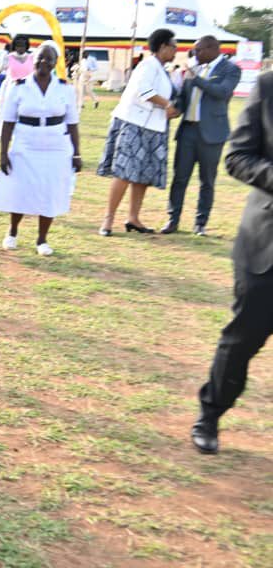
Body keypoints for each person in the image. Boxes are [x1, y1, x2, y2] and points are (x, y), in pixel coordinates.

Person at [190, 72, 273, 455]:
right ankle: (210, 414)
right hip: (265, 245)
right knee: (241, 340)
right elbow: (238, 157)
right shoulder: (268, 87)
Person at [0, 41, 81, 255]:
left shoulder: (65, 89)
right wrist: (3, 153)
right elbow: (8, 122)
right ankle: (12, 232)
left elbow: (72, 123)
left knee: (50, 191)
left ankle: (42, 240)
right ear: (33, 60)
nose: (44, 62)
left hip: (56, 146)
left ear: (55, 63)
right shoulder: (19, 87)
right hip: (26, 144)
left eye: (49, 59)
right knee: (21, 188)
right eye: (40, 58)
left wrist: (77, 153)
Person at [96, 29, 181, 235]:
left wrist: (171, 109)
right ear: (163, 46)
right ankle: (108, 219)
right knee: (124, 173)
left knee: (143, 175)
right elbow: (145, 91)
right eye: (173, 47)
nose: (176, 51)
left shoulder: (163, 69)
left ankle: (133, 218)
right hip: (134, 123)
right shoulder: (148, 65)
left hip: (155, 127)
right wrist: (167, 105)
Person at [162, 36, 241, 236]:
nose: (195, 54)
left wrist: (195, 79)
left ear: (213, 49)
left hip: (212, 133)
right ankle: (173, 220)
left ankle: (200, 223)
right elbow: (184, 96)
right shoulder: (193, 68)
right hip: (188, 130)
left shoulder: (230, 69)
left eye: (198, 50)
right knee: (180, 178)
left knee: (207, 180)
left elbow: (222, 92)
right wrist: (174, 107)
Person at [0, 35, 33, 139]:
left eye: (23, 45)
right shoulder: (8, 57)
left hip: (27, 89)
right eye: (18, 45)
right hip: (10, 89)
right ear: (14, 46)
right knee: (9, 113)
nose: (20, 48)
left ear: (26, 46)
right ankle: (6, 134)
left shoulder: (31, 58)